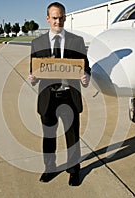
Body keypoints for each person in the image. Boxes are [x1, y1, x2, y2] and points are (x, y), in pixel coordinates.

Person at [29, 2, 91, 186]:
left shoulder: (76, 41)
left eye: (61, 17)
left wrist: (86, 76)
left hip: (69, 96)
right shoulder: (37, 43)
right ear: (48, 19)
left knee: (72, 137)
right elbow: (34, 70)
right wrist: (32, 79)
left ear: (65, 17)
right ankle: (49, 167)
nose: (58, 21)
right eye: (54, 18)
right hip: (48, 98)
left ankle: (74, 171)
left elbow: (86, 67)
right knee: (49, 136)